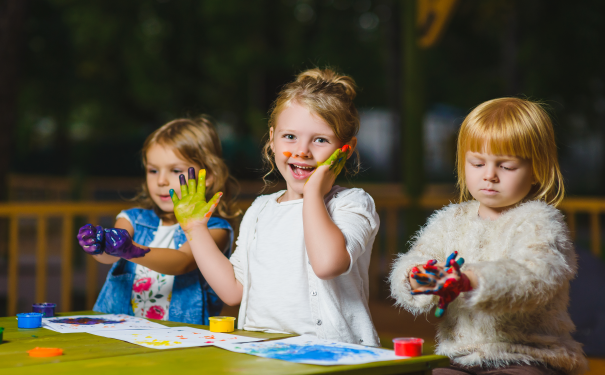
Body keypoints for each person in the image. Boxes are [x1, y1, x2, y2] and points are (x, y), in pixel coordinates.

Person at [170, 68, 381, 346]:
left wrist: (314, 193)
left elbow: (328, 264)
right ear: (272, 138)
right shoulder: (260, 209)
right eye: (290, 137)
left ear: (346, 149)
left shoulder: (352, 203)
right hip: (261, 353)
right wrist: (196, 228)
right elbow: (233, 291)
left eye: (320, 140)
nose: (302, 151)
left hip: (333, 356)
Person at [389, 98, 588, 375]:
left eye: (506, 166)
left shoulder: (540, 221)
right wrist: (418, 277)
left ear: (536, 171)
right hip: (460, 356)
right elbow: (416, 259)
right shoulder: (451, 219)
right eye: (478, 163)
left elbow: (535, 276)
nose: (490, 176)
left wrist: (471, 279)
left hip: (529, 356)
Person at [76, 117, 239, 324]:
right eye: (153, 170)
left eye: (176, 171)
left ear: (207, 177)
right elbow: (110, 257)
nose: (161, 181)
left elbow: (183, 261)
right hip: (119, 332)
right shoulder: (132, 219)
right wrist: (98, 246)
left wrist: (132, 250)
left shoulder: (215, 229)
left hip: (182, 338)